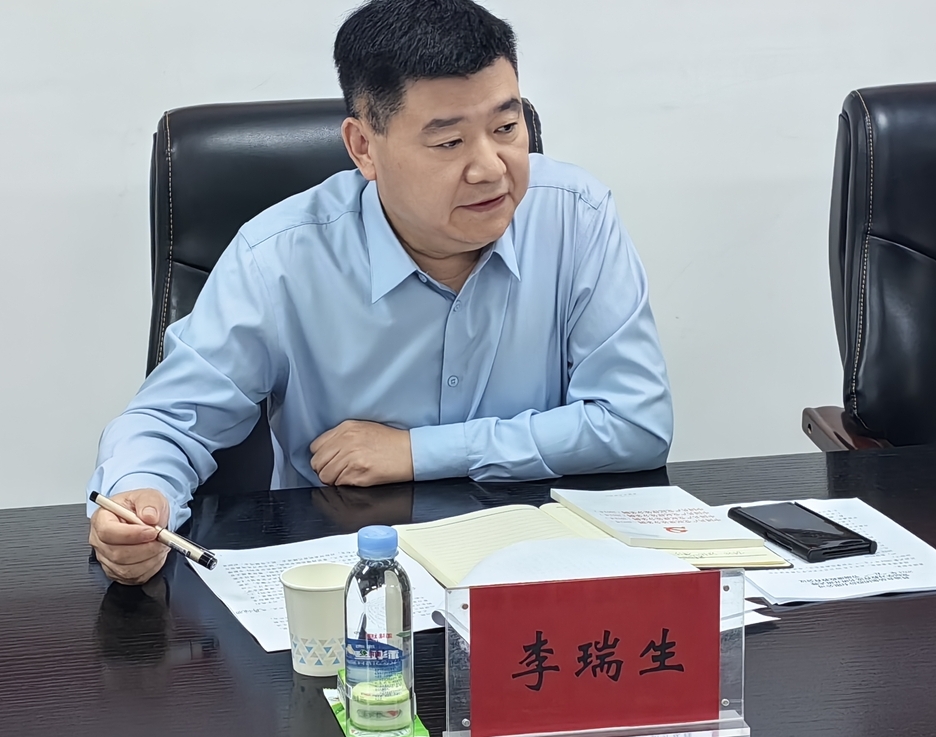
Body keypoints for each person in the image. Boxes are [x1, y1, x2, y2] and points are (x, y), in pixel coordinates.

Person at [87, 0, 674, 585]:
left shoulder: (576, 216)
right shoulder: (280, 258)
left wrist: (420, 451)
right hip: (347, 581)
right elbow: (169, 421)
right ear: (364, 147)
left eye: (506, 128)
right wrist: (140, 497)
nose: (491, 169)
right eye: (449, 142)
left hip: (537, 574)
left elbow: (635, 423)